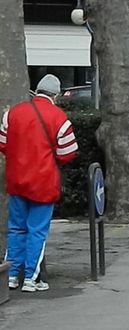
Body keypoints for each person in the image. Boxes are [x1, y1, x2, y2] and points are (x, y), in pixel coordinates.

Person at [0, 74, 78, 292]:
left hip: (17, 180)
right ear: (56, 95)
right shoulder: (59, 117)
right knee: (37, 230)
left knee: (16, 228)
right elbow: (67, 153)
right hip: (43, 182)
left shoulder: (12, 113)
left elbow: (3, 143)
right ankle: (31, 279)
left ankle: (12, 276)